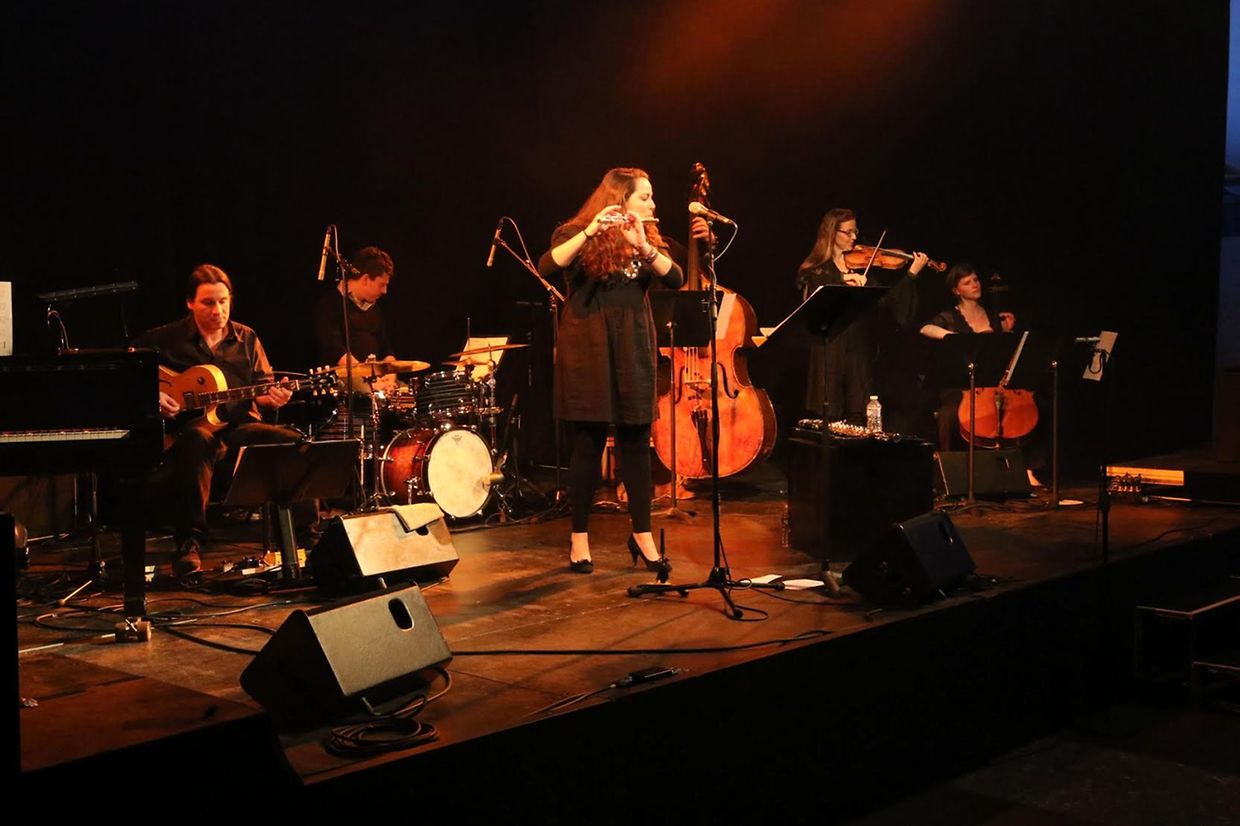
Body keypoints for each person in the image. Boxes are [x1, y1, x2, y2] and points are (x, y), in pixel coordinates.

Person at [538, 167, 683, 578]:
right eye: (645, 198)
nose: (653, 205)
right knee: (587, 446)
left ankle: (642, 535)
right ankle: (579, 538)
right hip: (589, 348)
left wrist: (643, 245)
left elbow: (677, 278)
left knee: (637, 444)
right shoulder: (573, 232)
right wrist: (591, 232)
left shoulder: (649, 239)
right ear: (619, 200)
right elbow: (547, 265)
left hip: (633, 345)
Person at [137, 264, 300, 576]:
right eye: (208, 303)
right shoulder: (165, 340)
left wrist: (274, 396)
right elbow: (128, 372)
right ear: (190, 303)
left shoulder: (247, 338)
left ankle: (302, 538)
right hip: (190, 433)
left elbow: (264, 387)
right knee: (197, 441)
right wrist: (153, 398)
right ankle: (190, 543)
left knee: (291, 440)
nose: (218, 310)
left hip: (240, 427)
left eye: (223, 301)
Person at [795, 208, 928, 423]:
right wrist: (841, 281)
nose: (854, 237)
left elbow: (887, 302)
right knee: (829, 414)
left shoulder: (860, 267)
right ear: (832, 233)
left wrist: (911, 273)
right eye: (848, 232)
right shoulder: (816, 270)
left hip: (857, 347)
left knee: (858, 411)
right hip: (830, 347)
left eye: (855, 231)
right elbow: (812, 304)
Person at [920, 263, 1043, 484]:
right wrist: (954, 338)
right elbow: (926, 328)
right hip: (961, 386)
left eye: (975, 280)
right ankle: (949, 473)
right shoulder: (949, 317)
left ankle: (1025, 468)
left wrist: (1006, 333)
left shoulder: (994, 316)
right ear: (957, 291)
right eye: (967, 282)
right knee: (948, 414)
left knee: (1028, 407)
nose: (974, 285)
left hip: (992, 385)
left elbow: (1004, 355)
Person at [311, 245, 399, 394]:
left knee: (406, 392)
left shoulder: (374, 309)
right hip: (342, 380)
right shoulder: (329, 305)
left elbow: (386, 350)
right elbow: (336, 351)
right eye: (382, 285)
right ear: (365, 279)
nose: (385, 291)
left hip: (375, 379)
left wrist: (390, 377)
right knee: (365, 392)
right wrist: (371, 380)